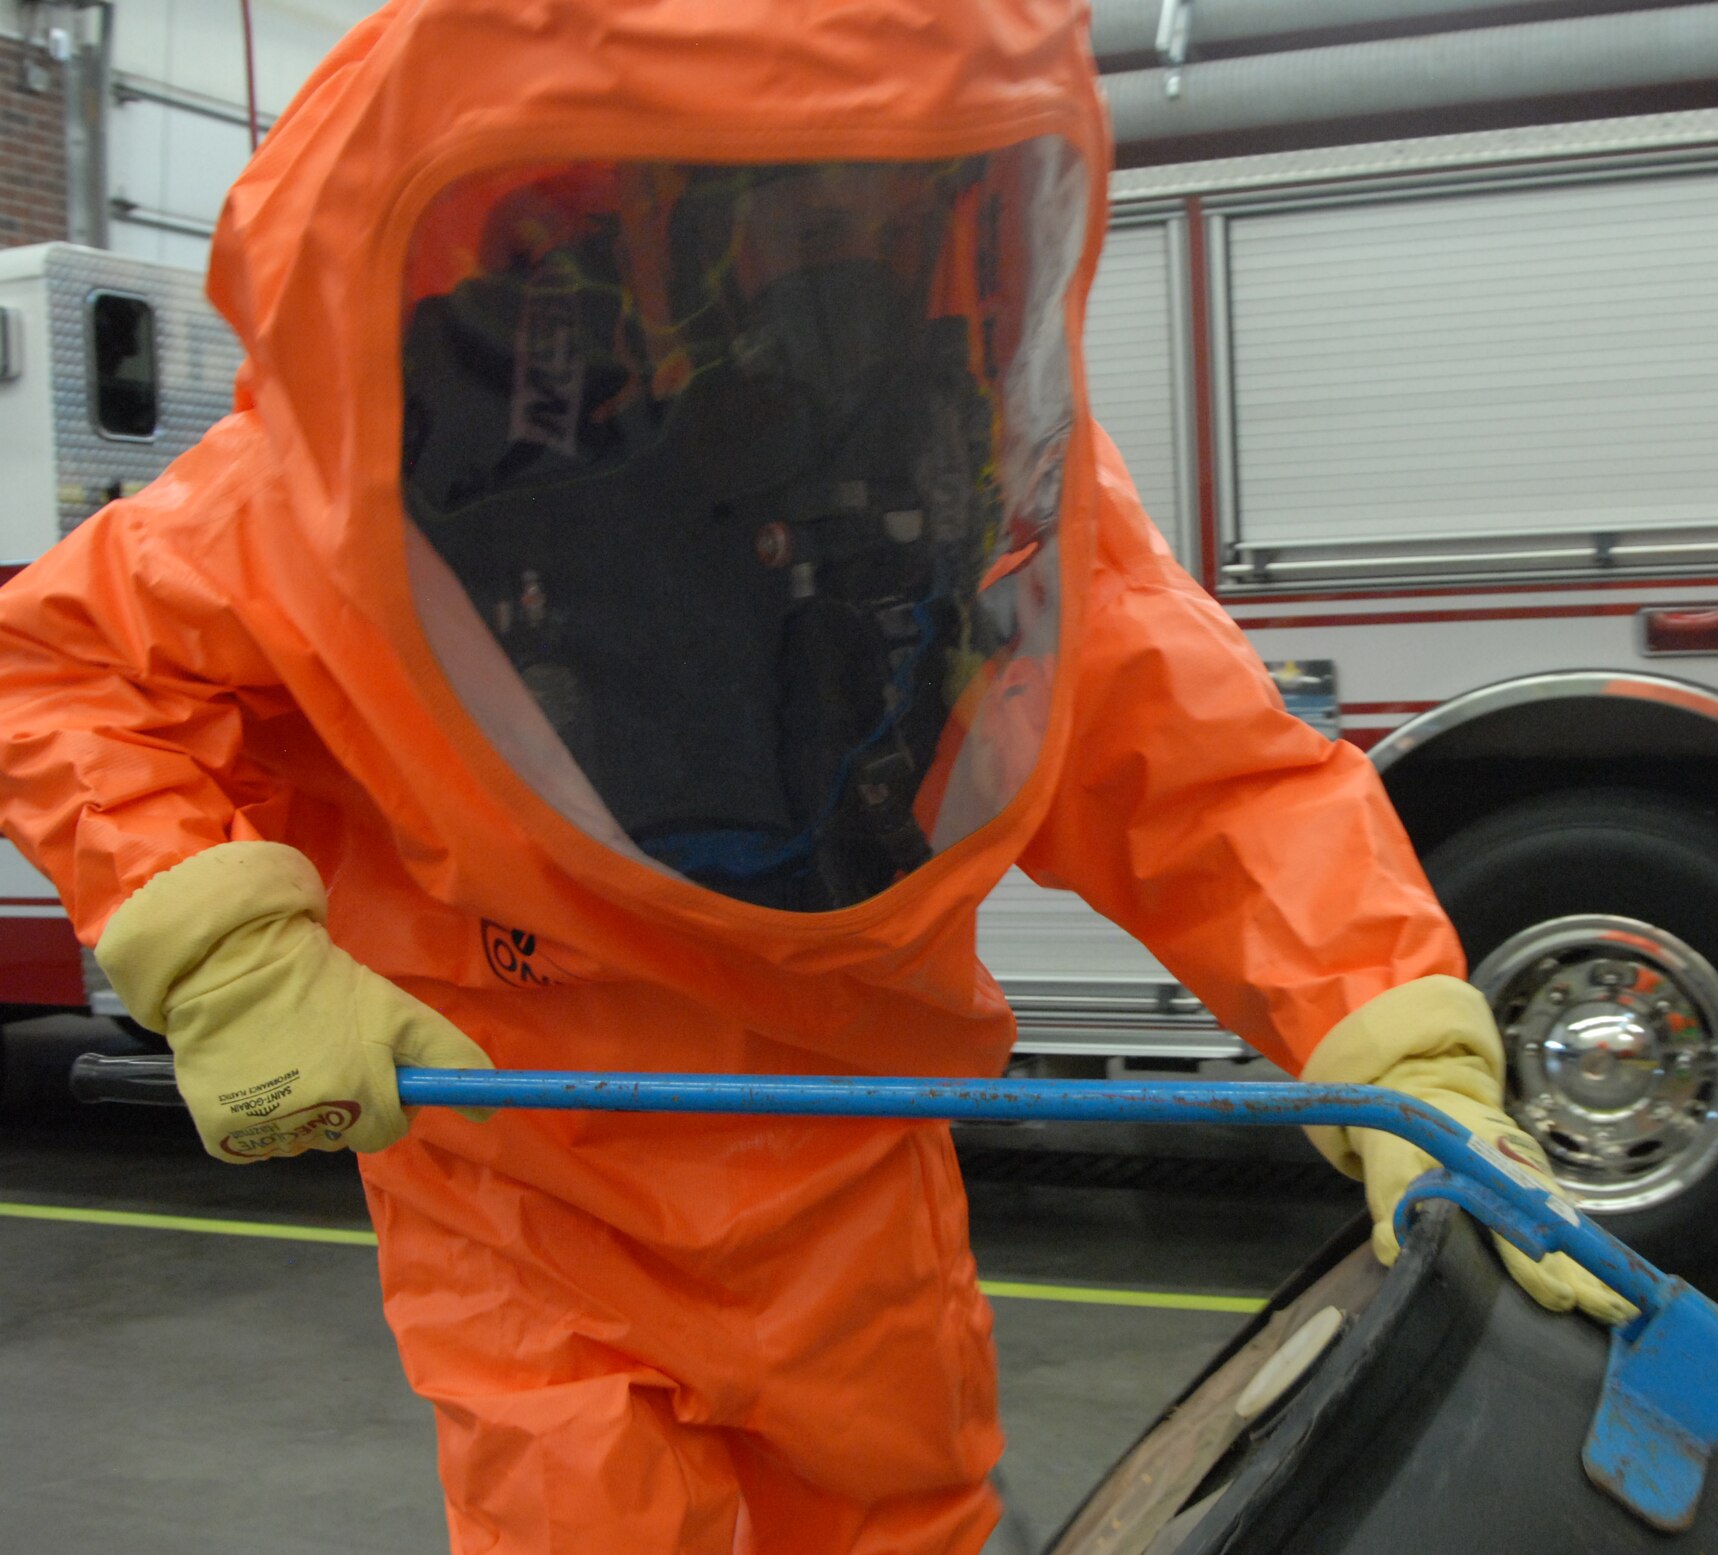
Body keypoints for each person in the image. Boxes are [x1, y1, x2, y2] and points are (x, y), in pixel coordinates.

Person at [0, 2, 1629, 1551]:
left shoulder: (957, 471)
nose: (794, 276)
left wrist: (1408, 1053)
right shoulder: (350, 488)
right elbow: (61, 664)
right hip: (530, 1200)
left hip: (842, 1178)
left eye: (847, 209)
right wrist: (229, 957)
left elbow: (1203, 768)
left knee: (895, 1528)